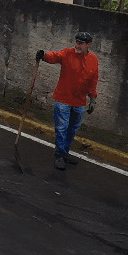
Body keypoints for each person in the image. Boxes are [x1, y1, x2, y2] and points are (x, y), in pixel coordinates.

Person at [36, 30, 99, 170]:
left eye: (81, 43)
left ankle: (65, 152)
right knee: (61, 128)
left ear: (88, 45)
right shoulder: (67, 53)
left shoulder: (93, 59)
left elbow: (93, 81)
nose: (77, 45)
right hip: (63, 99)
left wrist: (93, 99)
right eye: (76, 42)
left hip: (79, 101)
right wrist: (44, 55)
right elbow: (55, 56)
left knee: (72, 129)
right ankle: (59, 155)